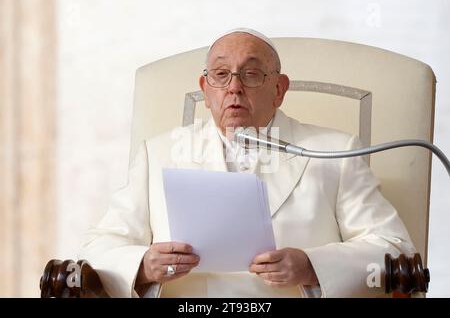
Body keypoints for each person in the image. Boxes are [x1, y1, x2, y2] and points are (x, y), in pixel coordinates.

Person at [78, 28, 415, 298]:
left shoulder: (335, 152)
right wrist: (143, 265)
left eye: (251, 74)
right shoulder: (158, 152)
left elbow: (394, 250)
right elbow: (98, 248)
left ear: (279, 89)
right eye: (221, 75)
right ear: (205, 90)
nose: (234, 88)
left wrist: (312, 265)